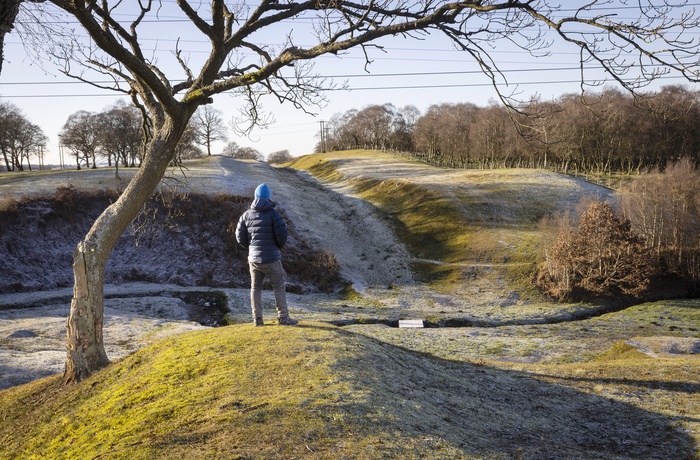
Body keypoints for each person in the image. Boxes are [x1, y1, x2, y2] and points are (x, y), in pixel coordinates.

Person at [236, 183, 298, 326]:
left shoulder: (245, 215)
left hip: (254, 259)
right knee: (278, 286)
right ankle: (283, 317)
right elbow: (282, 235)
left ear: (255, 197)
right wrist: (277, 248)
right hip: (272, 258)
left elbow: (239, 238)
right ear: (268, 197)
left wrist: (251, 248)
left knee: (255, 287)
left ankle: (257, 319)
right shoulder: (274, 215)